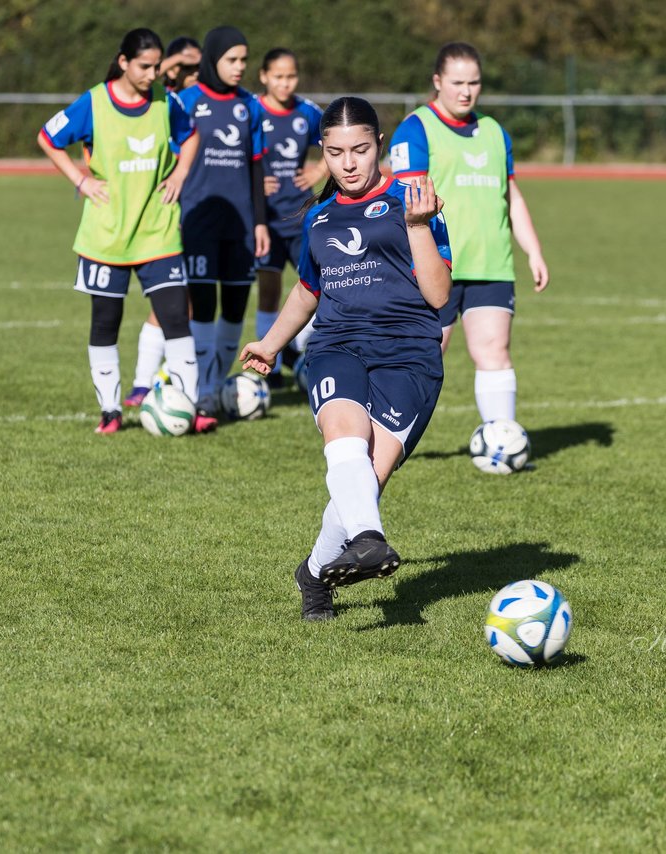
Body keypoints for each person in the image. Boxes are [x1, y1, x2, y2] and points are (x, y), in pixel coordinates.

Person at [240, 97, 452, 621]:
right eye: (336, 153)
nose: (349, 163)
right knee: (344, 440)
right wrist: (270, 343)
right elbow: (308, 291)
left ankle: (313, 575)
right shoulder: (319, 216)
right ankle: (370, 539)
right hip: (336, 345)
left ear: (380, 145)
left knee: (364, 484)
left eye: (360, 149)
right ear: (323, 153)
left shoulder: (413, 199)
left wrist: (419, 226)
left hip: (409, 355)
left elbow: (439, 295)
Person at [37, 28, 209, 434]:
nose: (152, 74)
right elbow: (48, 137)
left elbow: (191, 135)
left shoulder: (167, 102)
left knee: (176, 320)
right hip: (106, 235)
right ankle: (111, 413)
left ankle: (190, 405)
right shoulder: (94, 103)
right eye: (145, 67)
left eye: (156, 66)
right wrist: (81, 182)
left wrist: (181, 173)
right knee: (105, 323)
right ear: (123, 62)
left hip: (157, 230)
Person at [389, 42, 549, 428]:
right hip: (436, 265)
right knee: (425, 354)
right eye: (457, 82)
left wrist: (533, 250)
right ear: (437, 81)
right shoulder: (416, 129)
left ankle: (501, 439)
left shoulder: (495, 132)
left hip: (492, 263)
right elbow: (404, 204)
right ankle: (389, 435)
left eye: (474, 82)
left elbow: (510, 196)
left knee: (494, 349)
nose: (466, 91)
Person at [170, 26, 271, 420]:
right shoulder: (185, 101)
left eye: (244, 60)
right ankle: (204, 392)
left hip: (241, 225)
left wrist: (260, 223)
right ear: (213, 60)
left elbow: (256, 167)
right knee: (204, 306)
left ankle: (213, 382)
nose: (240, 67)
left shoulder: (251, 106)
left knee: (233, 308)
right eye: (232, 60)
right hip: (198, 221)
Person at [125, 35, 202, 406]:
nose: (193, 73)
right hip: (166, 212)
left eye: (198, 66)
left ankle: (153, 379)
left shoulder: (187, 100)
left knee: (180, 302)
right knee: (173, 301)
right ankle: (147, 380)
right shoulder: (164, 97)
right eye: (185, 66)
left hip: (192, 205)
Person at [254, 47, 326, 388]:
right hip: (265, 218)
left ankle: (298, 349)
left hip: (301, 215)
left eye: (291, 76)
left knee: (316, 286)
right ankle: (270, 365)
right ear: (264, 77)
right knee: (268, 291)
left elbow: (336, 139)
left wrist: (319, 171)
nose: (285, 83)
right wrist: (251, 178)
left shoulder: (307, 112)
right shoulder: (252, 110)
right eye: (278, 77)